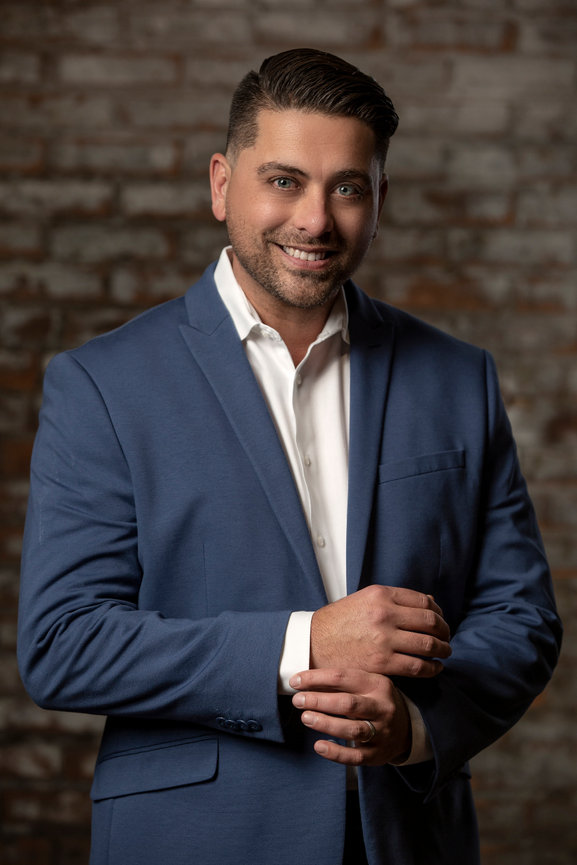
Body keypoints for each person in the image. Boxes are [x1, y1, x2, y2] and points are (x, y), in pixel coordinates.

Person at [18, 48, 561, 865]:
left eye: (346, 187)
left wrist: (415, 726)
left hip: (408, 836)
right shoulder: (102, 384)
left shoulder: (457, 377)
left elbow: (521, 619)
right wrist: (307, 643)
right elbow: (64, 642)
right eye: (283, 180)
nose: (315, 219)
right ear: (219, 185)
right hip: (195, 841)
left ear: (378, 200)